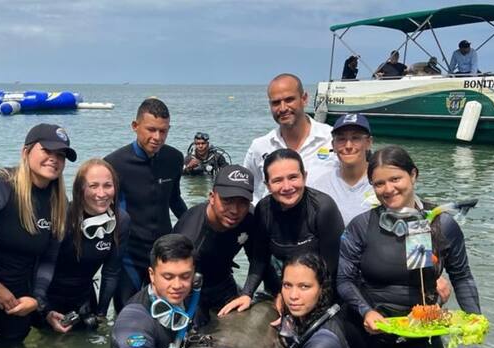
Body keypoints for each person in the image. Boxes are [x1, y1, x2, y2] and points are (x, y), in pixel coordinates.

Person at [336, 145, 481, 348]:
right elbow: (344, 280)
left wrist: (475, 319)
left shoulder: (442, 224)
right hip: (373, 325)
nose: (388, 189)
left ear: (413, 175)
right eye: (379, 183)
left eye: (396, 179)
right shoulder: (361, 225)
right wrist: (366, 311)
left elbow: (462, 277)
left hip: (422, 326)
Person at [174, 253, 350, 348]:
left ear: (322, 289)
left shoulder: (325, 342)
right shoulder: (300, 317)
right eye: (288, 285)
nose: (293, 296)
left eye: (304, 287)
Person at [0, 123, 71, 345]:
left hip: (20, 303)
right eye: (47, 150)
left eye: (61, 155)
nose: (54, 158)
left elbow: (49, 260)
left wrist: (38, 302)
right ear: (25, 152)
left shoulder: (61, 203)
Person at [224, 149, 344, 310]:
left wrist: (295, 304)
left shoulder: (323, 208)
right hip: (282, 290)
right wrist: (247, 293)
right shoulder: (264, 209)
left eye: (293, 177)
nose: (287, 187)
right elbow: (259, 258)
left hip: (321, 291)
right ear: (267, 185)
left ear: (305, 176)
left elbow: (332, 270)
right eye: (277, 180)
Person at [105, 98, 187, 311]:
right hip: (129, 253)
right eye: (151, 129)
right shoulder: (114, 164)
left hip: (163, 251)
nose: (157, 137)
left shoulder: (174, 158)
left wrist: (196, 227)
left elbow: (175, 200)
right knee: (127, 313)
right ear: (135, 126)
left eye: (163, 131)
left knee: (167, 313)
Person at [108, 234, 197, 348]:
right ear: (152, 275)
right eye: (168, 277)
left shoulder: (191, 295)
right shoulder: (133, 324)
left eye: (185, 276)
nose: (177, 285)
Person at [43, 158, 130, 331]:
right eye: (93, 186)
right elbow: (41, 265)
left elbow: (111, 272)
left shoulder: (121, 221)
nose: (102, 193)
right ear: (80, 188)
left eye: (107, 185)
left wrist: (101, 313)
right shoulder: (62, 217)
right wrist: (43, 309)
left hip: (84, 298)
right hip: (49, 297)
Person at [172, 165, 259, 324]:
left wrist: (248, 293)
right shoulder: (189, 235)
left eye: (243, 202)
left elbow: (258, 258)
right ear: (212, 197)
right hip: (189, 290)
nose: (234, 210)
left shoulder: (250, 218)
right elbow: (171, 280)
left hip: (223, 282)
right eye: (227, 200)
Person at [242, 73, 339, 203]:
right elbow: (246, 189)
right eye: (276, 103)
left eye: (289, 100)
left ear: (304, 99)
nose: (283, 108)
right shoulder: (260, 146)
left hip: (323, 220)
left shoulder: (331, 139)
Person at [307, 113, 379, 225]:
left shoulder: (382, 182)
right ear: (333, 145)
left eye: (356, 138)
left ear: (368, 143)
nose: (348, 146)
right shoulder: (320, 187)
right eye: (341, 139)